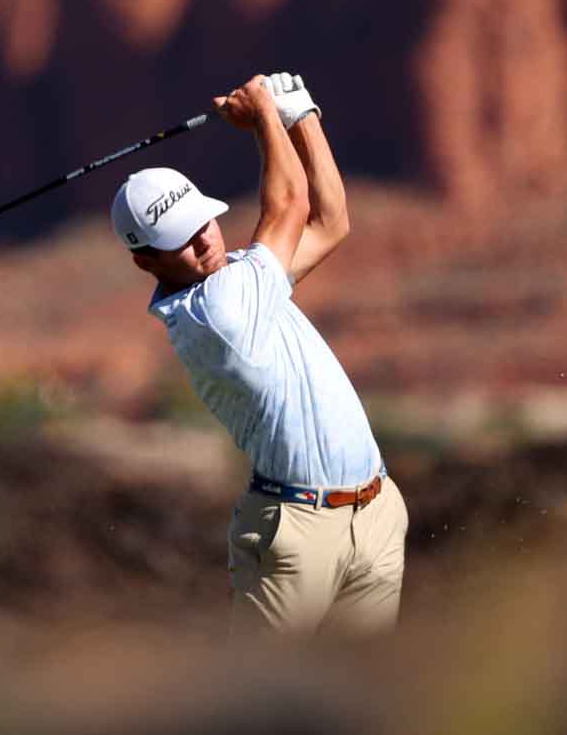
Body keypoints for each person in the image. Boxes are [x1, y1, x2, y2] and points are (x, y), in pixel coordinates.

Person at [110, 72, 408, 636]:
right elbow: (291, 204)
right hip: (294, 532)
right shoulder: (216, 313)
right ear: (145, 261)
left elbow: (330, 223)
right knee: (261, 688)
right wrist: (265, 115)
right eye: (181, 239)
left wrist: (303, 117)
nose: (205, 239)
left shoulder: (246, 279)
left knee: (367, 687)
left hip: (374, 514)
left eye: (202, 221)